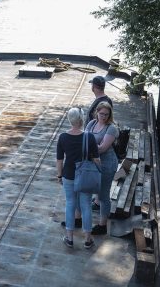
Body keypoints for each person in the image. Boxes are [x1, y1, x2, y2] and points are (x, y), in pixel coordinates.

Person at [57, 107, 100, 249]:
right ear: (82, 119)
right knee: (86, 205)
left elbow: (59, 160)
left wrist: (59, 175)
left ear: (70, 120)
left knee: (70, 204)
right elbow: (96, 159)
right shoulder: (89, 137)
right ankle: (88, 239)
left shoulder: (63, 137)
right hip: (85, 175)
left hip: (68, 174)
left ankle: (69, 238)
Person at [85, 101, 119, 235]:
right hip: (94, 163)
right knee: (95, 192)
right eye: (101, 114)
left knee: (104, 195)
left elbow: (103, 148)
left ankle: (102, 225)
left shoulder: (111, 128)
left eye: (106, 114)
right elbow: (84, 140)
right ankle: (94, 207)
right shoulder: (91, 124)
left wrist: (85, 149)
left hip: (107, 165)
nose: (103, 116)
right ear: (97, 113)